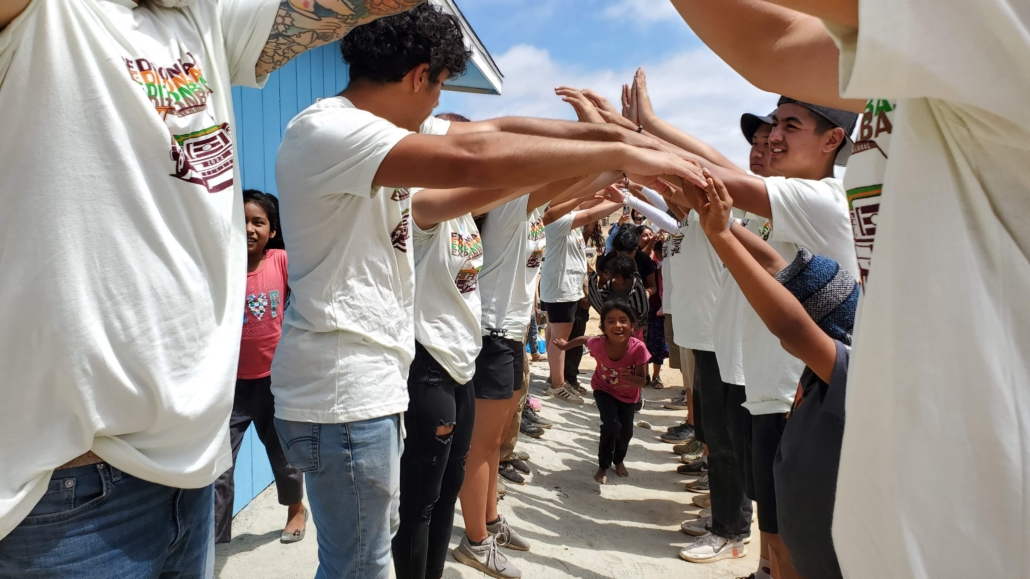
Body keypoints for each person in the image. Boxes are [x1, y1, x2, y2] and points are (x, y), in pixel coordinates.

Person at [270, 6, 704, 577]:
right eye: (441, 86)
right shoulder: (331, 130)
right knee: (362, 564)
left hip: (371, 384)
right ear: (420, 77)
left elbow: (496, 133)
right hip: (341, 391)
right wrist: (620, 151)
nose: (437, 105)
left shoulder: (384, 131)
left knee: (396, 534)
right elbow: (475, 156)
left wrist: (614, 135)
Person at [0, 0, 426, 574]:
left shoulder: (202, 20)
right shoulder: (49, 16)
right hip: (69, 492)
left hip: (192, 468)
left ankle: (290, 507)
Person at [675, 2, 1030, 577]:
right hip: (876, 422)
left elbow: (768, 42)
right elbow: (774, 44)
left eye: (789, 126)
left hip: (970, 477)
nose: (771, 137)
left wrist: (632, 143)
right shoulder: (908, 83)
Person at [693, 170, 858, 579]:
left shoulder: (844, 374)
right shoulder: (824, 368)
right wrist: (722, 228)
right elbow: (773, 264)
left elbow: (791, 325)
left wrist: (719, 235)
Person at [391, 112, 529, 579]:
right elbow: (503, 181)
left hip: (461, 364)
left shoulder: (466, 217)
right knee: (419, 502)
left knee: (448, 490)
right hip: (428, 362)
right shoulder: (419, 201)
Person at [214, 190, 305, 546]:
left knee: (284, 456)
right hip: (231, 386)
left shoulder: (281, 261)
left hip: (273, 382)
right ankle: (216, 536)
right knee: (220, 464)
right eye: (243, 221)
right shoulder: (223, 266)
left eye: (259, 222)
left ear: (272, 230)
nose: (250, 229)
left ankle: (295, 509)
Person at [553, 301, 650, 485]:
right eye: (611, 321)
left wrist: (632, 379)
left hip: (629, 396)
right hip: (603, 390)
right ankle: (603, 465)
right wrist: (566, 346)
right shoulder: (598, 344)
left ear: (632, 326)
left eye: (623, 320)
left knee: (626, 432)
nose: (617, 325)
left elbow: (642, 380)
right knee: (611, 426)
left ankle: (618, 460)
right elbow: (583, 339)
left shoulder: (638, 348)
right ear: (603, 328)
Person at [539, 192, 621, 401]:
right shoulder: (558, 220)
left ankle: (555, 379)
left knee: (554, 334)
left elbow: (587, 205)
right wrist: (623, 201)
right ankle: (558, 385)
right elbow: (590, 213)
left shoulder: (566, 219)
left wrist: (602, 191)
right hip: (561, 287)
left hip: (562, 286)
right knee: (560, 338)